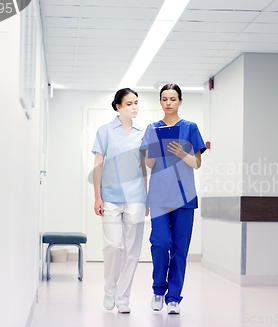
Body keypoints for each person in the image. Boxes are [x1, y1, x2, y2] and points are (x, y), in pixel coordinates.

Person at [140, 83, 206, 314]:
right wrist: (152, 150)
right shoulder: (153, 129)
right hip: (158, 197)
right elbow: (148, 165)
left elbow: (197, 163)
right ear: (160, 102)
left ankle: (173, 297)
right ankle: (158, 290)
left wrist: (181, 153)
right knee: (160, 243)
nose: (169, 103)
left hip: (184, 198)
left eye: (173, 99)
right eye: (164, 99)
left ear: (179, 101)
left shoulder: (190, 128)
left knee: (179, 249)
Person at [92, 88, 148, 313]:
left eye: (136, 103)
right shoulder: (105, 132)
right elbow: (98, 165)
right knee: (113, 246)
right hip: (111, 197)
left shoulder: (143, 133)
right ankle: (110, 290)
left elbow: (143, 167)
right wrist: (97, 196)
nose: (134, 107)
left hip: (136, 198)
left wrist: (147, 196)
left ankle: (124, 297)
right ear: (118, 107)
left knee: (132, 250)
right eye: (129, 104)